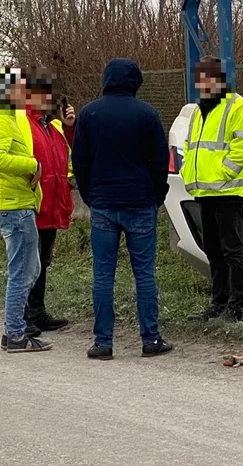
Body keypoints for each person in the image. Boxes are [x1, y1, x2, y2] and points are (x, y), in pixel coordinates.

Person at [71, 58, 173, 361]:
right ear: (135, 81)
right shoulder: (147, 114)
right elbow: (159, 161)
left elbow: (80, 161)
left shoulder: (89, 114)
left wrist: (90, 196)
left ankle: (103, 342)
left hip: (103, 203)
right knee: (144, 274)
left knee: (103, 275)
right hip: (141, 202)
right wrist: (157, 196)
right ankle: (150, 339)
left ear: (106, 79)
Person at [0, 65, 52, 353]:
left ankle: (13, 329)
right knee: (22, 271)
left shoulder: (6, 116)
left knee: (31, 269)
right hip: (13, 205)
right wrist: (32, 165)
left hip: (20, 201)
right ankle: (16, 333)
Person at [181, 55, 243, 324]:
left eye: (207, 78)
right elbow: (191, 146)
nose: (202, 83)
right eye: (200, 78)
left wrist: (223, 172)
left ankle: (235, 309)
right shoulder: (199, 109)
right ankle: (218, 304)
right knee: (213, 250)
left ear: (220, 79)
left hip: (227, 191)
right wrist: (187, 172)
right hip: (205, 191)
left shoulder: (238, 106)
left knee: (232, 250)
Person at [23, 69, 75, 333]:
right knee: (28, 263)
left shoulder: (52, 125)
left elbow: (68, 153)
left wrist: (69, 127)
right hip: (33, 203)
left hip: (53, 202)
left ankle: (37, 311)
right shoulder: (23, 124)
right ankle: (23, 315)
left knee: (43, 260)